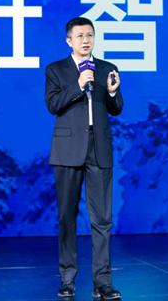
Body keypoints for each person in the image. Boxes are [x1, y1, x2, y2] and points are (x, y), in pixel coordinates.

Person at [44, 16, 123, 300]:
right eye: (80, 36)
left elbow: (116, 108)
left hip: (98, 148)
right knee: (67, 218)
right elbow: (53, 104)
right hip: (67, 150)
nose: (86, 40)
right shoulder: (56, 70)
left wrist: (112, 92)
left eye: (90, 35)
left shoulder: (107, 68)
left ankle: (103, 282)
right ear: (69, 41)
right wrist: (78, 85)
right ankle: (67, 279)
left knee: (102, 219)